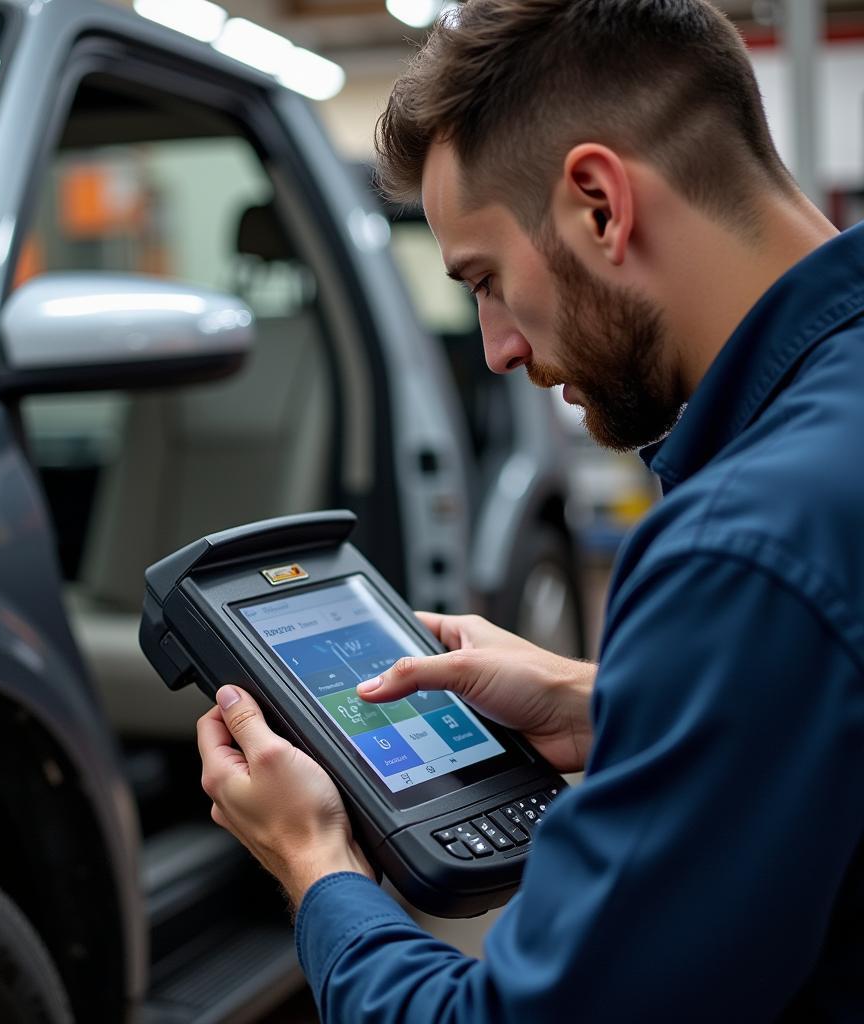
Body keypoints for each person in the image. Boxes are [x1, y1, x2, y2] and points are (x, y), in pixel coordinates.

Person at [196, 0, 864, 1019]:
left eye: (486, 279)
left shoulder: (742, 547)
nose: (499, 347)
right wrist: (609, 706)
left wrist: (319, 865)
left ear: (598, 204)